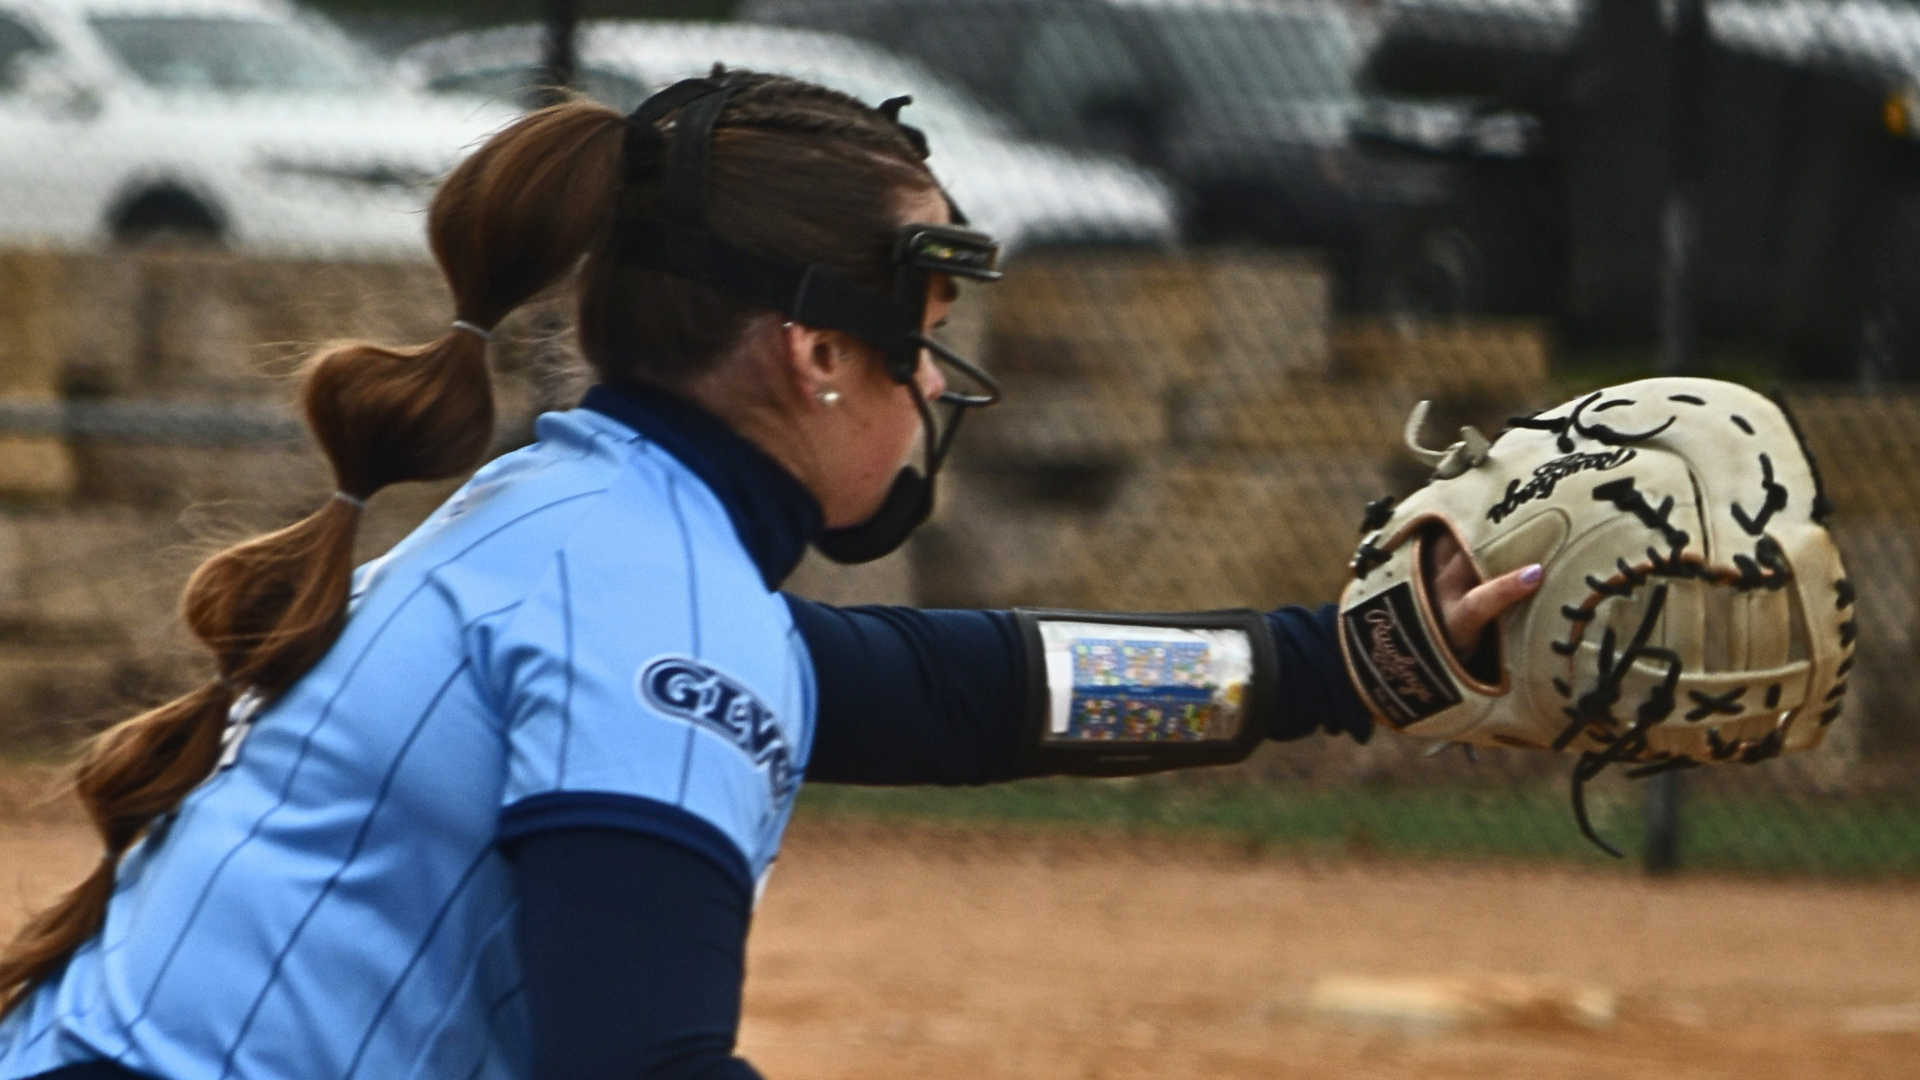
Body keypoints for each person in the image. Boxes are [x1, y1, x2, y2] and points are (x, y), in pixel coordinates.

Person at [0, 71, 1537, 1080]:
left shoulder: (575, 517)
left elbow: (972, 695)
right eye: (923, 328)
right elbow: (639, 1065)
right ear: (816, 355)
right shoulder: (653, 602)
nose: (934, 380)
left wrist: (1347, 664)